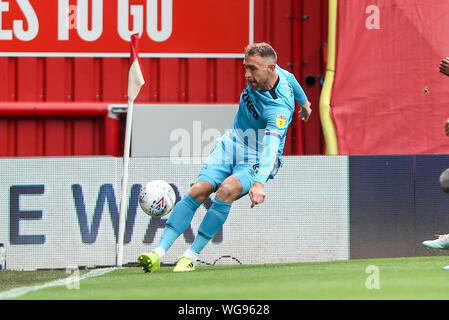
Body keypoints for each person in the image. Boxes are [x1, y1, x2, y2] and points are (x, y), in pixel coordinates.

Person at [137, 42, 312, 272]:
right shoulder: (278, 74)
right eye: (245, 67)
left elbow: (270, 148)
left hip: (258, 157)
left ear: (270, 69)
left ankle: (190, 256)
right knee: (198, 190)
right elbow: (291, 78)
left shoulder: (278, 110)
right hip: (232, 143)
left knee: (227, 190)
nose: (247, 74)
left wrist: (259, 182)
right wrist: (305, 103)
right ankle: (157, 253)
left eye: (253, 69)